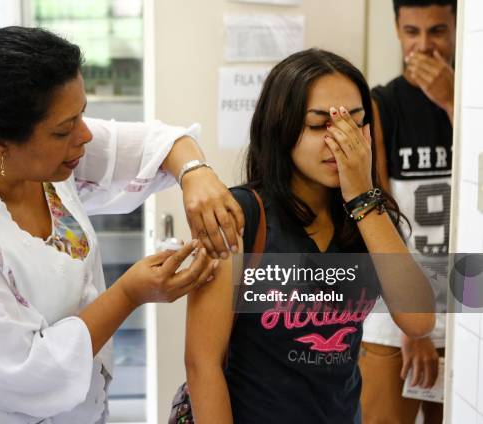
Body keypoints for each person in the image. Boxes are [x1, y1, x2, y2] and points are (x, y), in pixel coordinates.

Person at [0, 26, 245, 423]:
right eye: (64, 129)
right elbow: (25, 374)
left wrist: (196, 173)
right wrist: (129, 294)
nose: (84, 135)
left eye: (82, 114)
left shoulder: (48, 159)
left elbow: (156, 144)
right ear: (0, 141)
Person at [184, 49, 436, 424]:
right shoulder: (241, 216)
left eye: (354, 124)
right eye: (320, 125)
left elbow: (419, 320)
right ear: (281, 127)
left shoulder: (369, 216)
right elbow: (203, 364)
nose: (339, 142)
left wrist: (362, 197)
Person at [360, 1, 455, 422]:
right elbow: (377, 213)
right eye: (412, 32)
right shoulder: (381, 104)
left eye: (437, 31)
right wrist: (410, 326)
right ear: (397, 31)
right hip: (395, 312)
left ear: (456, 28)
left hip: (465, 305)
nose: (424, 46)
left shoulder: (473, 101)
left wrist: (453, 101)